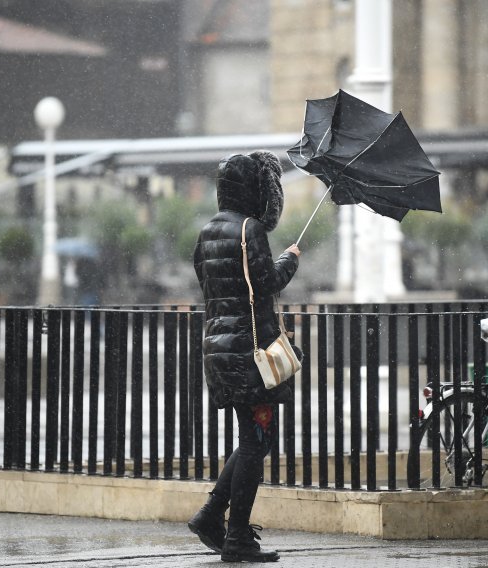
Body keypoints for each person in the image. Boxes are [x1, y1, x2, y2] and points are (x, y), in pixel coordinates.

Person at [188, 150, 301, 563]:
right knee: (256, 441)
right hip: (250, 355)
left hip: (219, 350)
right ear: (254, 190)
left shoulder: (207, 230)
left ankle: (213, 515)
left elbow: (214, 285)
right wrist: (290, 260)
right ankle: (235, 536)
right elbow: (266, 281)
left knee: (254, 437)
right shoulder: (249, 229)